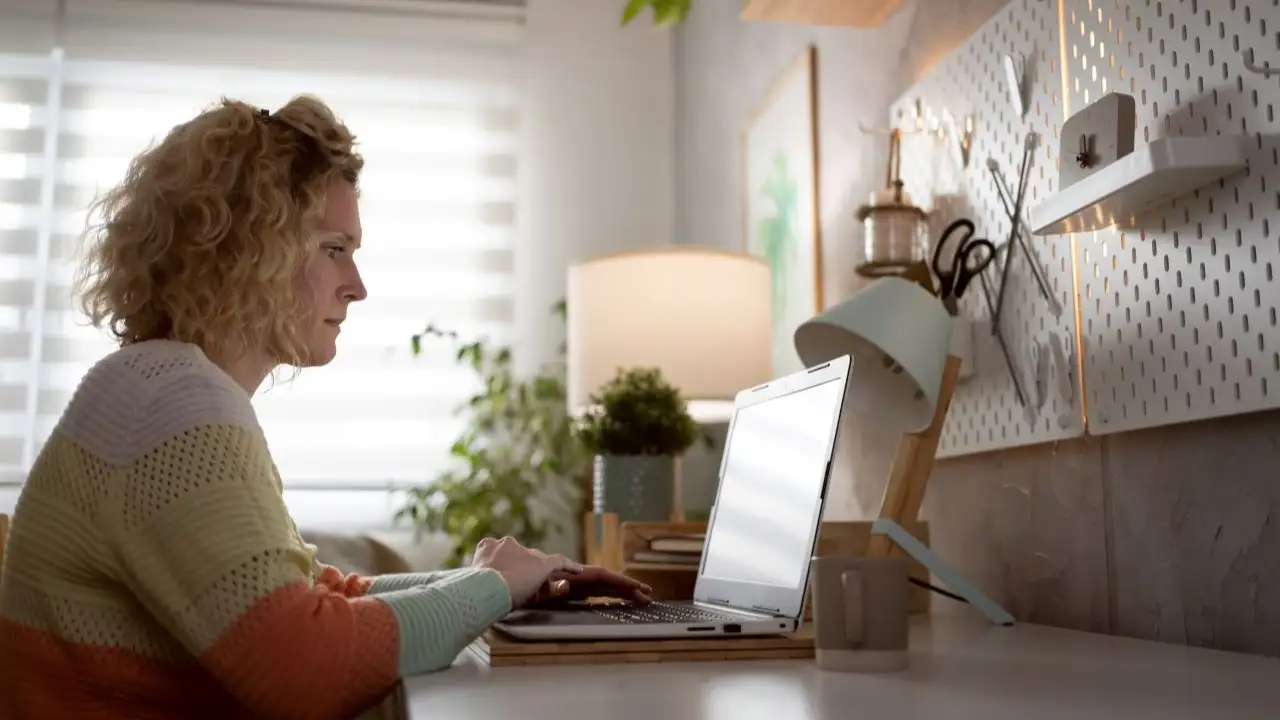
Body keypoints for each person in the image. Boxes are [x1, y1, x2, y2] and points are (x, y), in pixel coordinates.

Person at [0, 95, 650, 720]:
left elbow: (312, 602)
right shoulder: (171, 401)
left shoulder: (161, 387)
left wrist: (492, 579)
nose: (357, 286)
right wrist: (494, 587)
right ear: (246, 251)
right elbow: (304, 672)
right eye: (334, 249)